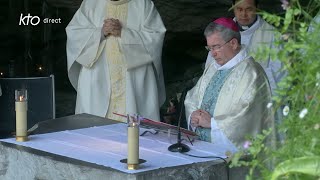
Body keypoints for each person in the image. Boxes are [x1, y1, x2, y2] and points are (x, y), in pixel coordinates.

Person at [66, 0, 166, 122]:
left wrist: (124, 33)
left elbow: (155, 37)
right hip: (97, 76)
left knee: (136, 134)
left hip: (134, 79)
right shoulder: (90, 3)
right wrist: (101, 32)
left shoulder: (143, 4)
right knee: (93, 132)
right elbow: (74, 34)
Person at [184, 17, 274, 149]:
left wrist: (213, 124)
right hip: (201, 146)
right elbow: (192, 97)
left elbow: (248, 116)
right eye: (209, 48)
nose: (213, 54)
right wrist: (193, 115)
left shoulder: (252, 72)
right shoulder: (213, 68)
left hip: (233, 155)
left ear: (233, 43)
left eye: (216, 47)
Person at [205, 0, 285, 94]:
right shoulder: (221, 32)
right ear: (233, 7)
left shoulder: (273, 35)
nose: (243, 14)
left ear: (257, 8)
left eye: (249, 9)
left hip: (259, 94)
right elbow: (210, 68)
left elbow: (280, 75)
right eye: (239, 9)